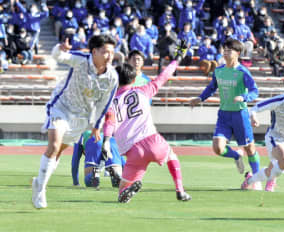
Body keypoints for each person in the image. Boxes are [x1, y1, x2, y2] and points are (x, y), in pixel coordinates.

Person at [31, 34, 118, 209]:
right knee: (54, 146)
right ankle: (41, 190)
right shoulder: (81, 59)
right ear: (94, 51)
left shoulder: (112, 77)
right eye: (105, 52)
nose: (109, 56)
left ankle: (39, 181)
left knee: (59, 151)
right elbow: (60, 56)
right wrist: (59, 48)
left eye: (111, 52)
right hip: (61, 107)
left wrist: (96, 125)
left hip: (80, 118)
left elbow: (104, 103)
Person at [102, 42, 192, 203]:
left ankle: (127, 189)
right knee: (171, 155)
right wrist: (178, 58)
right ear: (134, 78)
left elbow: (110, 122)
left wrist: (106, 141)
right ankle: (180, 190)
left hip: (132, 151)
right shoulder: (144, 90)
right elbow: (164, 76)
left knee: (121, 194)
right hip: (152, 142)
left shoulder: (112, 102)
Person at [189, 39, 261, 190]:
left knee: (250, 149)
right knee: (218, 148)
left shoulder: (242, 72)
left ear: (238, 53)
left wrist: (245, 97)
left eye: (230, 50)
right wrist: (200, 98)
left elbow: (255, 91)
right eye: (225, 49)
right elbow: (211, 87)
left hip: (240, 115)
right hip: (224, 115)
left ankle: (257, 178)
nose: (226, 52)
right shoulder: (219, 71)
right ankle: (236, 156)